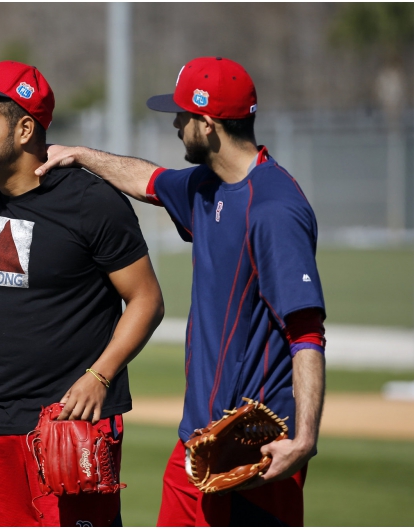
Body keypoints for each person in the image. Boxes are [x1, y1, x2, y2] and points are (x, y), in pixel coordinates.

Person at [35, 57, 326, 526]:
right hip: (198, 440)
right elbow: (148, 181)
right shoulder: (207, 187)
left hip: (254, 446)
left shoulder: (274, 208)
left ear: (207, 124)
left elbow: (306, 332)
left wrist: (305, 439)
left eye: (181, 116)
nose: (175, 125)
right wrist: (80, 154)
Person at [0, 61, 165, 527]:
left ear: (25, 129)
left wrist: (100, 376)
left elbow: (147, 300)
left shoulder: (92, 202)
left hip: (69, 424)